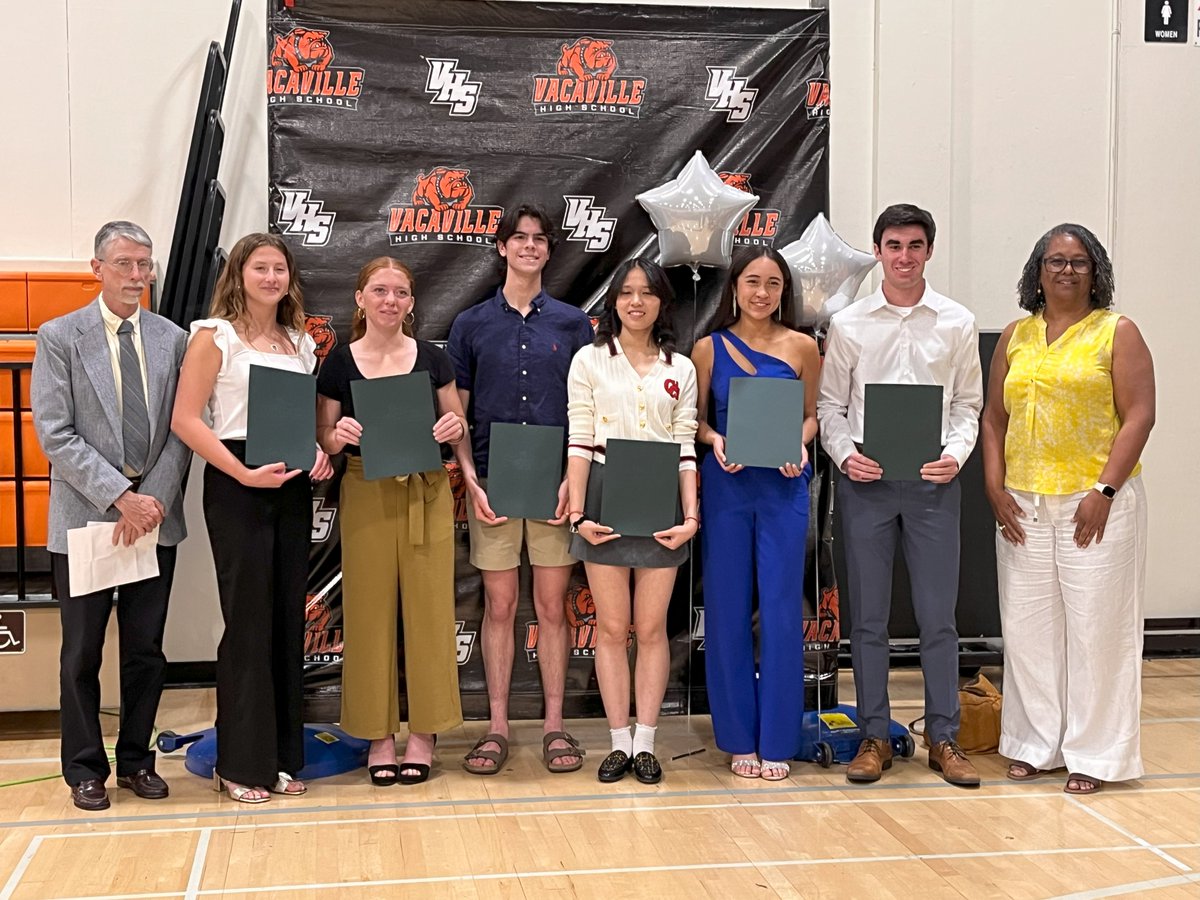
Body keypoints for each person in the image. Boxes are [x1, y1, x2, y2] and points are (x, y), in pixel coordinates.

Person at [981, 224, 1154, 795]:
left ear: (1095, 271)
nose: (1066, 270)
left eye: (1079, 262)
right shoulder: (1016, 335)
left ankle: (1096, 755)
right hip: (1024, 503)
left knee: (1097, 631)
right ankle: (1036, 745)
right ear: (1037, 271)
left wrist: (1103, 492)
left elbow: (1139, 415)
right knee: (1029, 633)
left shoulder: (1117, 332)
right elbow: (993, 418)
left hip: (1094, 504)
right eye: (1055, 261)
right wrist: (994, 485)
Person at [817, 203, 983, 788]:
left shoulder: (958, 322)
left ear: (929, 251)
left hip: (933, 485)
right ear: (879, 251)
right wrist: (844, 454)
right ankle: (874, 736)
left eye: (915, 245)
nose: (904, 256)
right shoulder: (850, 323)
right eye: (894, 245)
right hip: (868, 485)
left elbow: (968, 405)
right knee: (868, 620)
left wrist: (955, 456)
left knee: (939, 618)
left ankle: (943, 737)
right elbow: (829, 406)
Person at [31, 221, 191, 812]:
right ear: (96, 268)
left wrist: (150, 502)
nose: (136, 276)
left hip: (153, 520)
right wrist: (118, 496)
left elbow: (182, 430)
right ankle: (83, 769)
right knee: (82, 651)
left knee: (146, 649)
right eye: (124, 264)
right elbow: (55, 433)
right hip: (86, 520)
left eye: (145, 265)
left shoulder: (173, 339)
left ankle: (136, 762)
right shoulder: (59, 337)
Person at [171, 232, 333, 803]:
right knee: (247, 622)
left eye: (279, 269)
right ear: (239, 274)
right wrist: (240, 474)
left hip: (288, 484)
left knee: (286, 618)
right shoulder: (213, 337)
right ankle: (239, 763)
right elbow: (187, 420)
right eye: (260, 268)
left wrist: (315, 452)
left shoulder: (298, 341)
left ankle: (282, 758)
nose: (271, 278)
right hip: (236, 481)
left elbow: (306, 423)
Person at [448, 204, 594, 776]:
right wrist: (469, 476)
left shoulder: (574, 324)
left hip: (557, 485)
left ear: (549, 251)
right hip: (493, 483)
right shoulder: (470, 324)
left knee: (554, 607)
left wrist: (571, 480)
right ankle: (499, 725)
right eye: (519, 238)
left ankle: (555, 726)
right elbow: (454, 410)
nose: (529, 247)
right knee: (502, 606)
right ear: (502, 248)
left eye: (539, 239)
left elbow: (587, 411)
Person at [316, 258, 469, 785]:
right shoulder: (339, 363)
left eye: (400, 292)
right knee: (369, 615)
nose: (390, 300)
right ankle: (379, 734)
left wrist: (454, 425)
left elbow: (457, 425)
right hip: (366, 489)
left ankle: (424, 733)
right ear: (360, 298)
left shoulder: (432, 358)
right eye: (379, 291)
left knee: (428, 612)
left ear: (411, 302)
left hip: (425, 490)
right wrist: (340, 437)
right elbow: (325, 438)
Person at [566, 258, 699, 785]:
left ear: (662, 302)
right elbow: (577, 441)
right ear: (613, 302)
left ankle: (646, 742)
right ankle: (617, 741)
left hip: (661, 499)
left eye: (646, 293)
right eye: (626, 293)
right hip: (604, 493)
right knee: (613, 629)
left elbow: (686, 446)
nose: (636, 302)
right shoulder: (589, 360)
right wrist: (578, 514)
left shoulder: (681, 368)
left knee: (650, 629)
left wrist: (691, 516)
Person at [691, 247, 820, 782]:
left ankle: (778, 739)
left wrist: (800, 442)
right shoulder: (707, 348)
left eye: (772, 283)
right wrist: (717, 440)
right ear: (735, 288)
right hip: (727, 484)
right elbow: (694, 423)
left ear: (783, 291)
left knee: (783, 610)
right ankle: (738, 736)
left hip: (784, 487)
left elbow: (812, 418)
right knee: (725, 609)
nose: (762, 292)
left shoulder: (804, 347)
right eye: (752, 281)